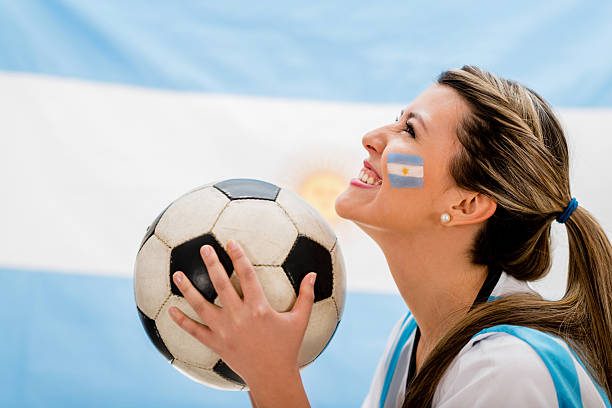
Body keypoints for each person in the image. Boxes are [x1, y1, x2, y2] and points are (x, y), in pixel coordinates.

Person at [167, 65, 612, 407]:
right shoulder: (414, 337)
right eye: (397, 119)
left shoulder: (509, 372)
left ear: (466, 205)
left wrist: (272, 378)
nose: (372, 138)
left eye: (409, 131)